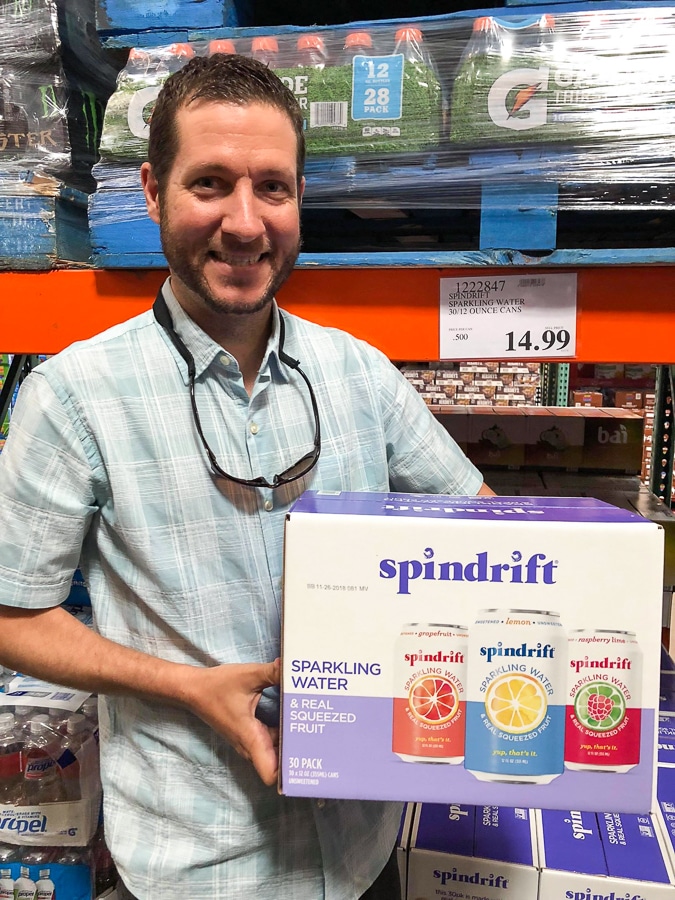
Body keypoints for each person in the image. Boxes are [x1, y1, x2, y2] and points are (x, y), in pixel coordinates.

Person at [0, 54, 493, 899]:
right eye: (210, 184)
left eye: (272, 187)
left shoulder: (360, 376)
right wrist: (186, 687)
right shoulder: (73, 396)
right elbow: (14, 614)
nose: (244, 222)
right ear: (153, 191)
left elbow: (486, 527)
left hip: (362, 845)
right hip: (197, 861)